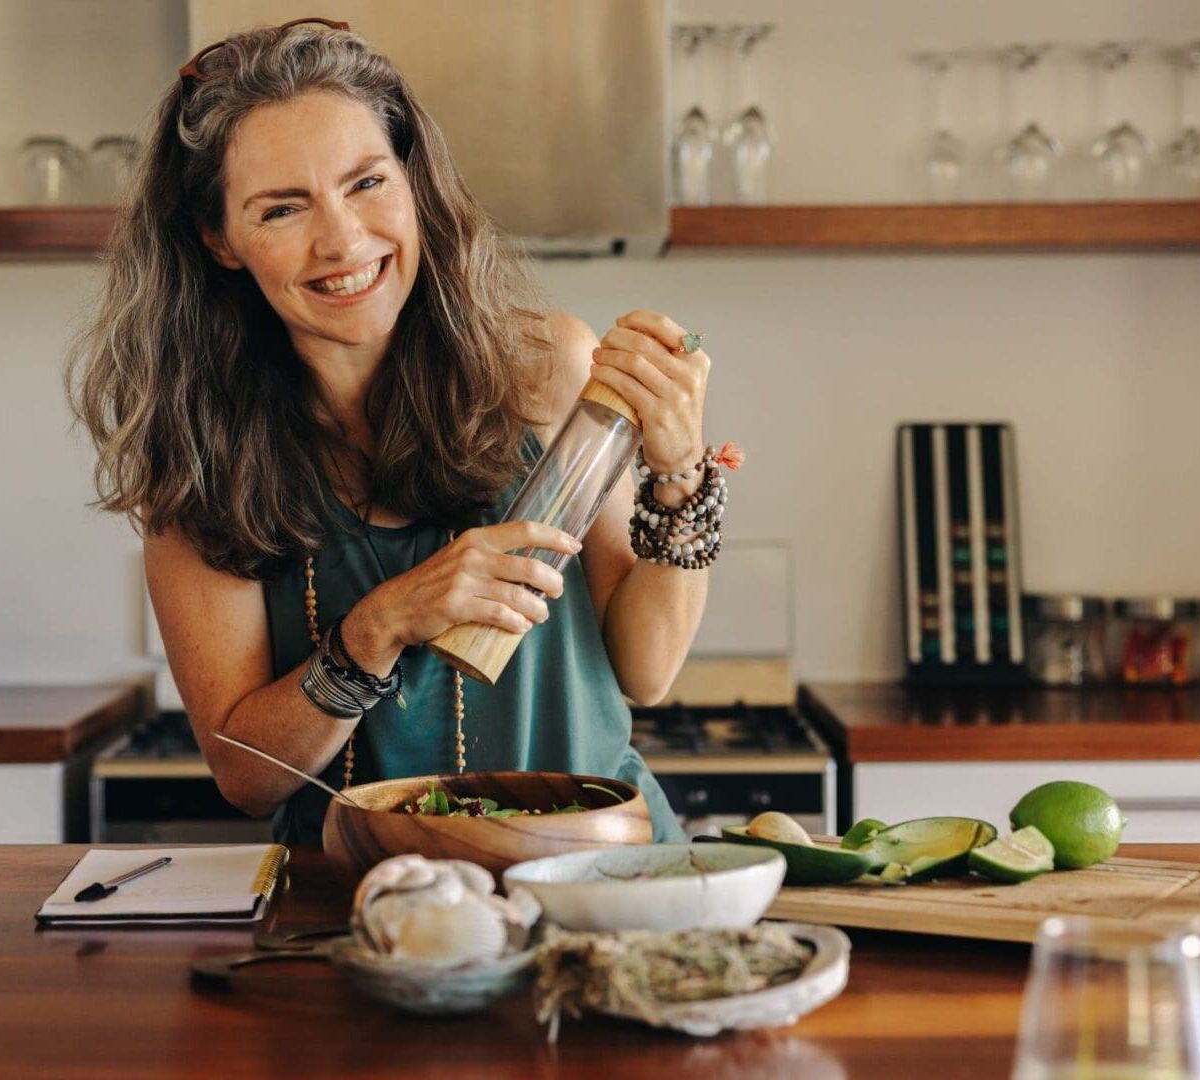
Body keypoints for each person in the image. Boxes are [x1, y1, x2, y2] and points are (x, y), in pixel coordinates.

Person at [67, 18, 733, 845]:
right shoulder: (199, 460)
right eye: (281, 207)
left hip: (598, 876)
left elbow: (648, 669)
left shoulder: (548, 367)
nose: (343, 240)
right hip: (369, 902)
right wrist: (380, 625)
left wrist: (679, 475)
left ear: (413, 182)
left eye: (367, 182)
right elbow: (246, 777)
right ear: (220, 240)